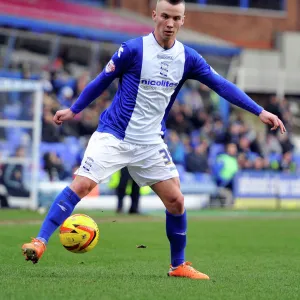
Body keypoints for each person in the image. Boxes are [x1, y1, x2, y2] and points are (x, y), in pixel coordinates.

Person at [22, 0, 286, 279]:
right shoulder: (133, 49)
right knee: (82, 184)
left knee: (176, 201)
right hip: (115, 134)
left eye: (176, 18)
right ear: (154, 16)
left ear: (183, 20)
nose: (170, 23)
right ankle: (39, 242)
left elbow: (221, 85)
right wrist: (74, 109)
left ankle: (178, 265)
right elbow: (102, 79)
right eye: (165, 16)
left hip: (150, 142)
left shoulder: (188, 58)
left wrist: (259, 110)